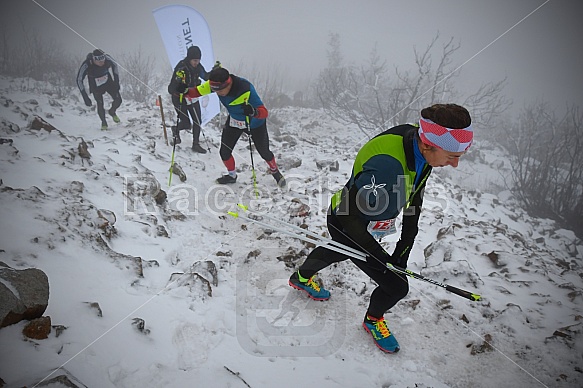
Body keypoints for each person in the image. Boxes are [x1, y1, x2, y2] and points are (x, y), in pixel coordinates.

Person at [287, 104, 474, 353]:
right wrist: (380, 257)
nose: (455, 164)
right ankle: (373, 320)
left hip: (365, 220)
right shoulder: (389, 165)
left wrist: (403, 250)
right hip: (348, 222)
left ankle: (300, 277)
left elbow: (414, 199)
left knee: (338, 251)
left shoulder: (419, 144)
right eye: (452, 157)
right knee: (397, 286)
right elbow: (348, 213)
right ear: (429, 145)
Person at [177, 65, 286, 187]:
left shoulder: (245, 88)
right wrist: (185, 91)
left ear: (227, 84)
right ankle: (232, 176)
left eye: (219, 91)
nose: (217, 93)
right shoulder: (214, 85)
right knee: (224, 152)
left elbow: (264, 112)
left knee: (264, 152)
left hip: (254, 124)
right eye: (215, 90)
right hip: (234, 121)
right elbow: (195, 92)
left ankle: (275, 172)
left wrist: (254, 112)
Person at [167, 45, 208, 153]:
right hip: (179, 99)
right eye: (194, 60)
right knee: (186, 123)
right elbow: (171, 89)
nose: (197, 63)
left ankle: (196, 144)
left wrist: (216, 71)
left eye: (198, 60)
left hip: (192, 97)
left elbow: (206, 76)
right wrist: (179, 86)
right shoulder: (181, 67)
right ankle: (175, 129)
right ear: (189, 58)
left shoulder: (198, 67)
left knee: (197, 121)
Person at [76, 49, 122, 130]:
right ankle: (104, 123)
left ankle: (112, 111)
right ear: (94, 60)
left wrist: (116, 81)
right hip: (95, 86)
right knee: (100, 103)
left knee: (118, 100)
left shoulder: (107, 59)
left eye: (103, 60)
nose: (102, 63)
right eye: (99, 61)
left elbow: (115, 65)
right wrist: (85, 96)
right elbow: (79, 79)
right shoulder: (87, 64)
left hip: (108, 82)